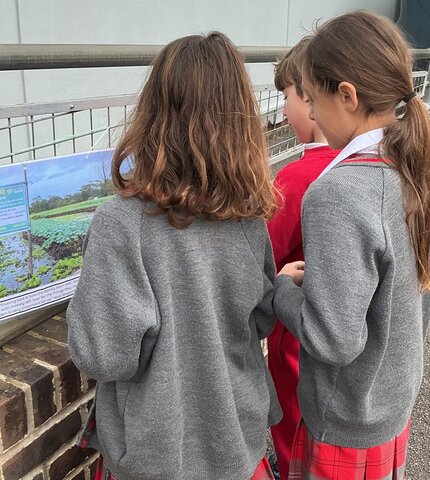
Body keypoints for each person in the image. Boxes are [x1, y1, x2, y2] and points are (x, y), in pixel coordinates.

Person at [67, 32, 282, 480]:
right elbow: (261, 318)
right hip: (236, 445)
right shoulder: (247, 215)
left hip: (153, 456)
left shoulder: (120, 222)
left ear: (152, 113)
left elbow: (103, 356)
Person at [272, 11, 430, 480]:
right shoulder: (418, 162)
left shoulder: (337, 192)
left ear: (347, 96)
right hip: (394, 400)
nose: (311, 114)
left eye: (313, 99)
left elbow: (333, 340)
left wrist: (282, 291)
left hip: (345, 417)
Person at [266, 38, 339, 480]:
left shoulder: (297, 177)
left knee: (292, 420)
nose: (284, 109)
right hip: (344, 336)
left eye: (287, 97)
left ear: (311, 101)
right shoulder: (374, 164)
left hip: (297, 334)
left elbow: (262, 254)